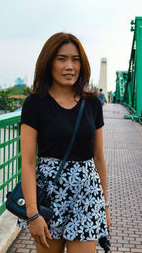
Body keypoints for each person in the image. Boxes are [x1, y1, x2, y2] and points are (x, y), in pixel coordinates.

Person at [18, 32, 112, 253]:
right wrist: (33, 213)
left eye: (75, 59)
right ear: (48, 62)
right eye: (61, 59)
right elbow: (29, 162)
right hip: (50, 198)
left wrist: (105, 207)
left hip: (87, 196)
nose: (70, 66)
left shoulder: (92, 104)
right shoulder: (35, 104)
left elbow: (99, 157)